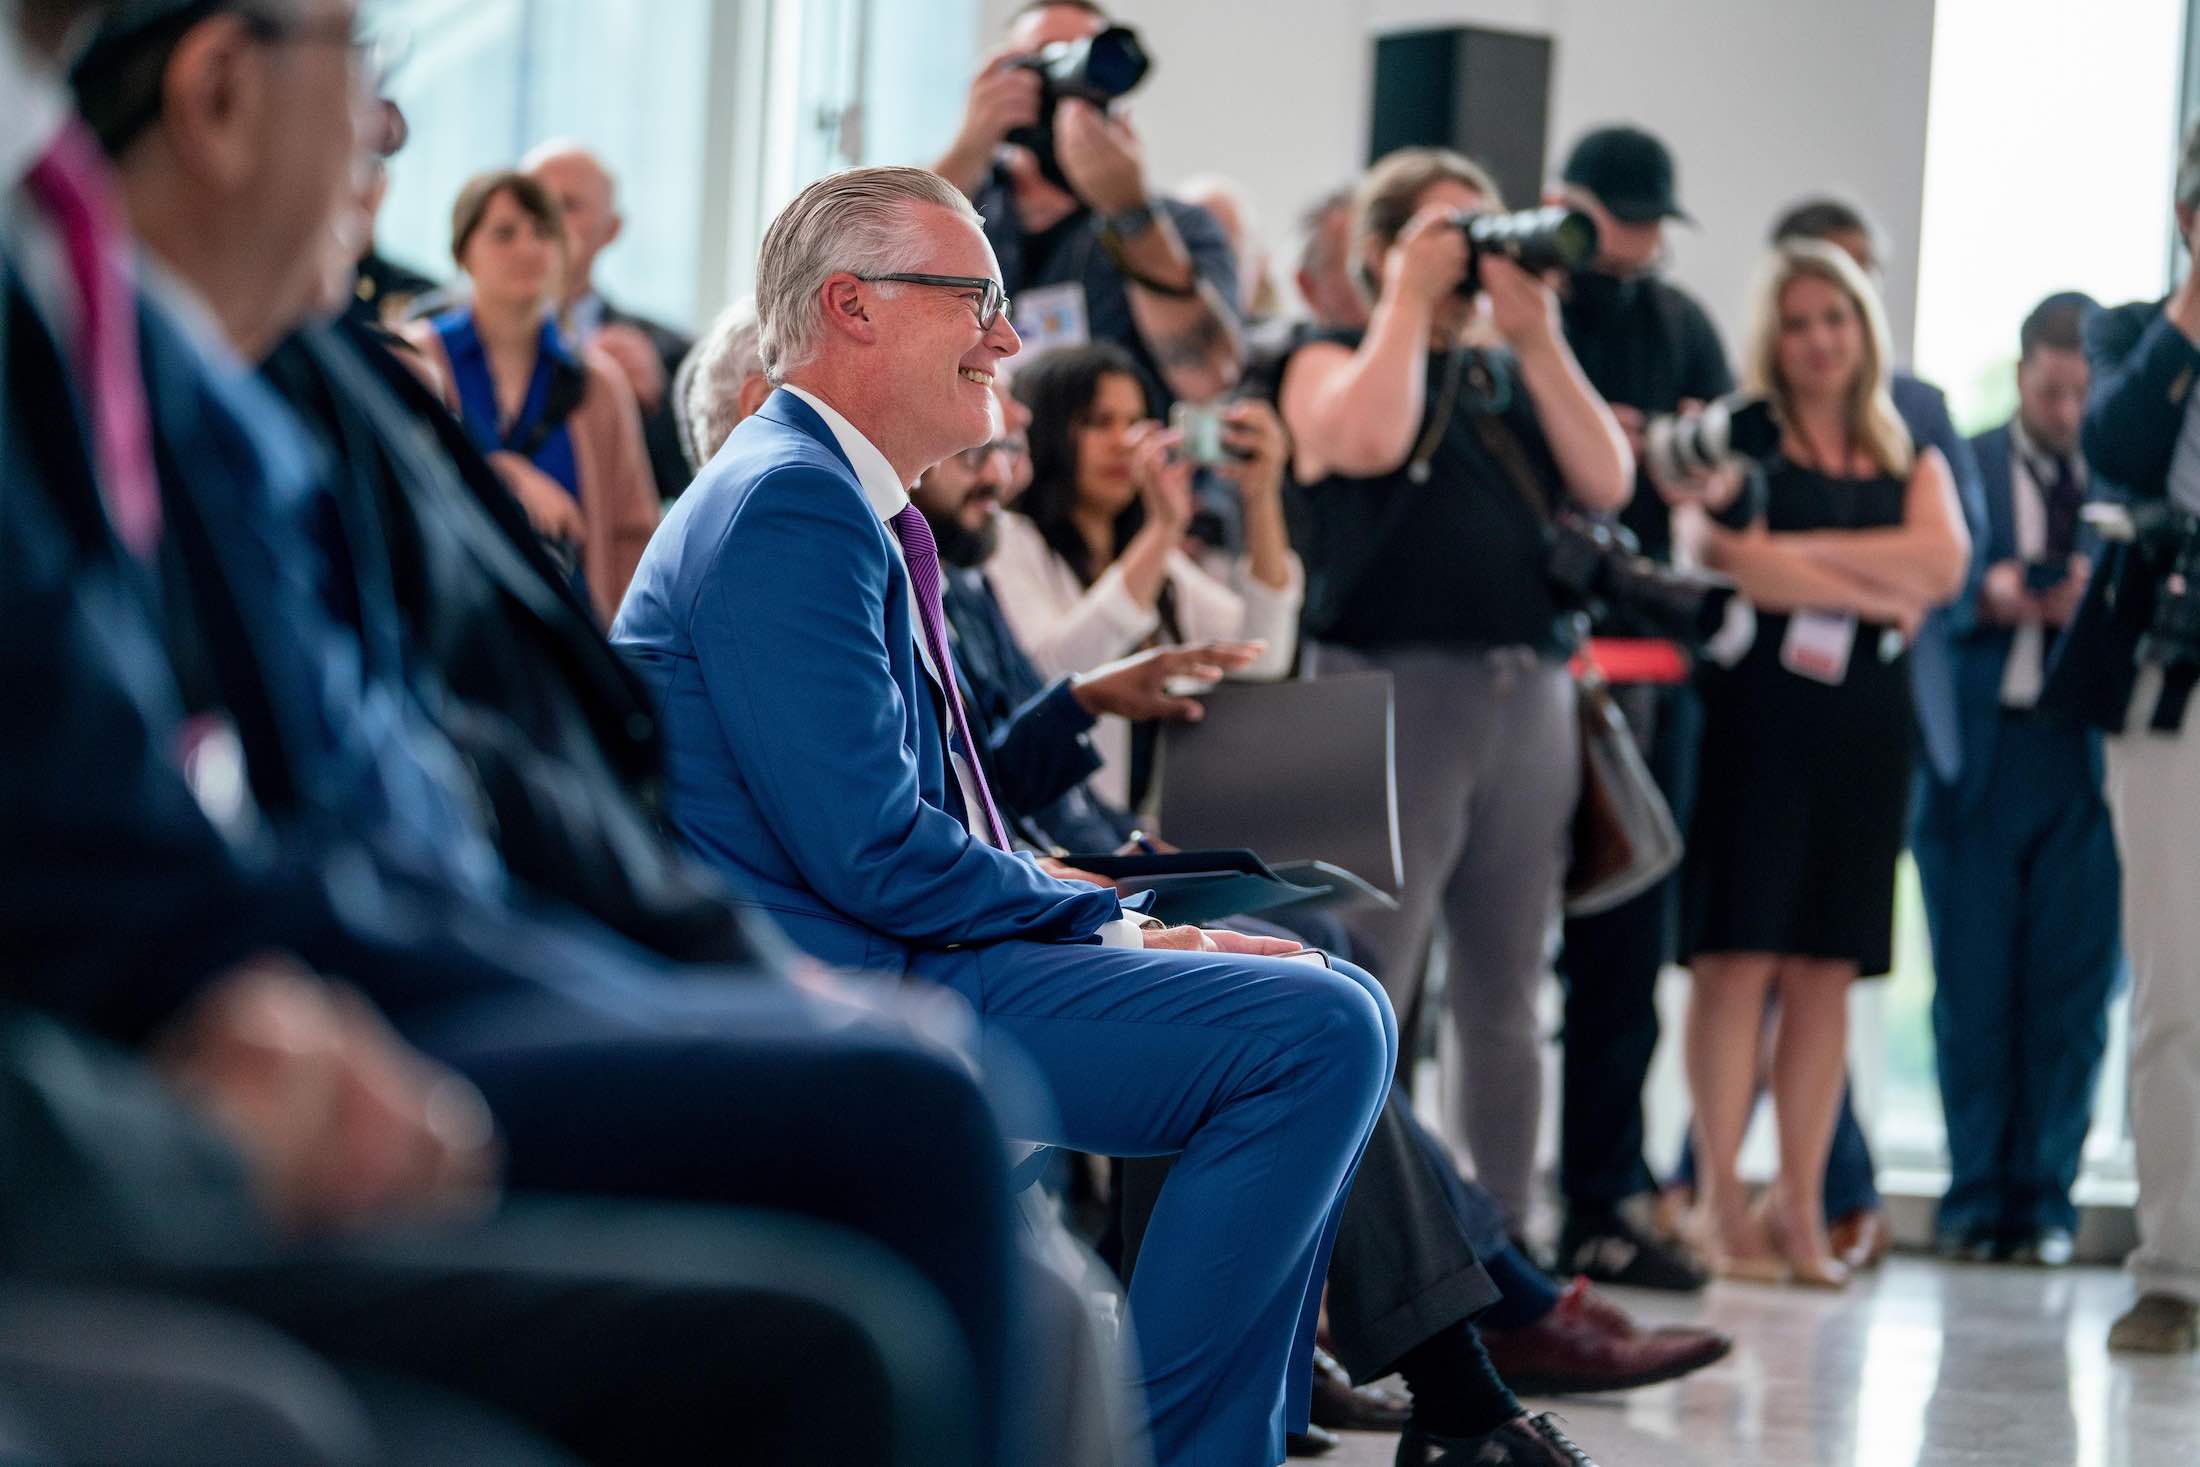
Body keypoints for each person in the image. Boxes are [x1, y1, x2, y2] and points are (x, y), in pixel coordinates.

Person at [42, 9, 1066, 1463]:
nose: (388, 135)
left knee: (951, 1145)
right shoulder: (151, 365)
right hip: (337, 994)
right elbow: (235, 816)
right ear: (215, 91)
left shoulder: (264, 374)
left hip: (445, 932)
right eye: (368, 79)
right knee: (917, 1121)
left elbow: (452, 755)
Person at [610, 163, 1401, 1467]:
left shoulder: (827, 493)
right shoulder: (793, 502)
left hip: (891, 945)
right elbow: (870, 849)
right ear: (852, 306)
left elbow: (900, 829)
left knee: (1332, 1001)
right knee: (1313, 1031)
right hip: (843, 978)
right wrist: (1120, 928)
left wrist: (1123, 920)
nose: (1009, 334)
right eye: (974, 297)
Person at [1278, 146, 1632, 1225]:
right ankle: (1350, 1256)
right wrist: (1404, 299)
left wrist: (1535, 331)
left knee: (1507, 995)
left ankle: (1499, 1251)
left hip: (1522, 695)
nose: (1476, 256)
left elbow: (1609, 478)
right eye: (1449, 235)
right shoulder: (1321, 355)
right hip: (1379, 693)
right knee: (1366, 982)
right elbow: (1368, 440)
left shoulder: (1507, 372)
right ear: (1381, 249)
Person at [1673, 239, 1967, 1287]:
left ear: (1863, 330)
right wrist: (1870, 580)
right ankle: (1718, 1203)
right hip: (1759, 723)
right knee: (1737, 959)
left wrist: (1803, 572)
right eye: (1797, 323)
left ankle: (1799, 1208)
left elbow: (1942, 565)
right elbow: (1729, 560)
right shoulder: (1743, 458)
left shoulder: (1909, 455)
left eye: (1834, 320)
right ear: (1773, 338)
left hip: (1862, 732)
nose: (1817, 341)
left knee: (1825, 971)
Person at [1546, 123, 1730, 1292]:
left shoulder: (1681, 323)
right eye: (1629, 216)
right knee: (1496, 959)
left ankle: (1606, 1195)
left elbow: (1720, 466)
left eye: (1658, 220)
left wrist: (1673, 462)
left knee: (1626, 955)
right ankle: (1470, 1209)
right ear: (1574, 205)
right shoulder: (1529, 304)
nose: (1648, 240)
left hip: (1651, 676)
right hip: (1536, 663)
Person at [1913, 291, 2121, 1268]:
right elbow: (1926, 582)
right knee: (1971, 995)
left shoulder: (2126, 475)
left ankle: (2044, 1203)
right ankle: (1971, 1200)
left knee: (2071, 1002)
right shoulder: (1967, 459)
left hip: (2085, 763)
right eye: (2052, 390)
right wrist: (1985, 594)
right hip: (1979, 760)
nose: (2070, 410)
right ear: (2025, 372)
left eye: (2084, 392)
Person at [2077, 119, 2200, 1354]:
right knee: (2175, 985)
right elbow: (2109, 451)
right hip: (2174, 687)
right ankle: (2174, 1265)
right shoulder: (2132, 335)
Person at [986, 340, 1301, 807]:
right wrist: (1163, 529)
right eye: (1098, 423)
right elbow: (1057, 671)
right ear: (1049, 429)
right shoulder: (1010, 539)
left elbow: (1264, 653)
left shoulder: (1152, 557)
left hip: (1147, 833)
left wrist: (1261, 496)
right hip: (1056, 834)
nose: (1123, 442)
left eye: (1135, 422)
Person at [932, 0, 1241, 408]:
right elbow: (875, 272)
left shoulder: (1176, 228)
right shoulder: (962, 208)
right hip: (978, 459)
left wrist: (1129, 211)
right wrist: (969, 149)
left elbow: (1208, 379)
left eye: (1084, 57)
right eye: (1047, 60)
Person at [399, 169, 657, 626]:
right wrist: (506, 475)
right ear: (463, 252)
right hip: (446, 636)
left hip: (568, 644)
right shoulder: (413, 362)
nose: (528, 248)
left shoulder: (599, 384)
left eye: (543, 233)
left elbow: (632, 538)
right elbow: (395, 494)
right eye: (504, 233)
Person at [523, 140, 697, 501]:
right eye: (533, 203)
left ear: (611, 229)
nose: (546, 222)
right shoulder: (436, 332)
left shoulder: (672, 358)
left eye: (568, 206)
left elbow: (688, 494)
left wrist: (653, 407)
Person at [345, 98, 436, 330]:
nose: (356, 185)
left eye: (368, 167)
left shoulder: (422, 298)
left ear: (383, 184)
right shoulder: (280, 295)